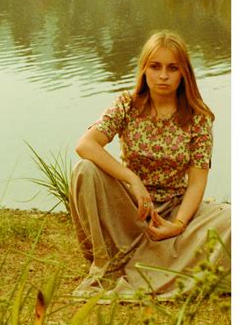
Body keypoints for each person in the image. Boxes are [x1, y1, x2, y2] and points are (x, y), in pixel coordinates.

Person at [69, 30, 230, 300]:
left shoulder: (198, 117)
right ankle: (112, 259)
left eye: (172, 68)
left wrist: (178, 224)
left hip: (175, 208)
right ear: (144, 69)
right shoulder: (127, 105)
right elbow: (86, 144)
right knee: (84, 169)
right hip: (130, 207)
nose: (163, 76)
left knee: (234, 220)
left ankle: (165, 256)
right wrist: (132, 180)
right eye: (155, 67)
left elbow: (197, 182)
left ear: (184, 73)